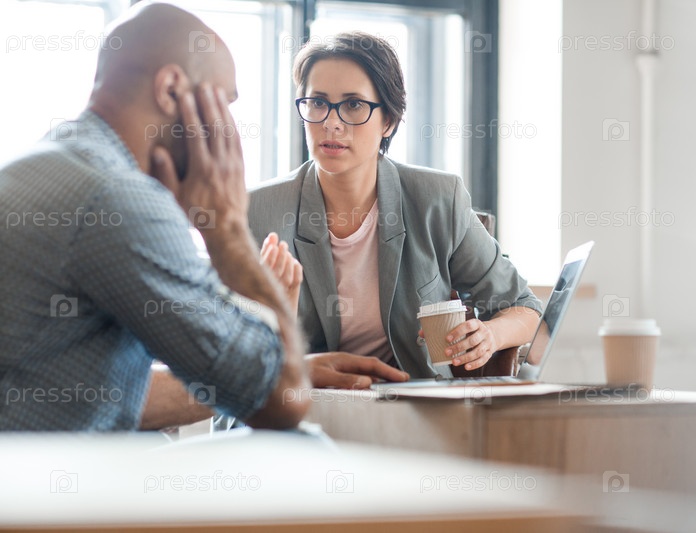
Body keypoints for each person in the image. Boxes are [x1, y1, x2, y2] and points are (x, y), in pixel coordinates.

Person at [0, 4, 310, 431]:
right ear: (170, 90)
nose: (229, 129)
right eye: (224, 102)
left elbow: (104, 394)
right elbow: (283, 398)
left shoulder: (50, 161)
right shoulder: (117, 198)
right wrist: (228, 228)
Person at [249, 32, 543, 386]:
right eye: (317, 102)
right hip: (308, 404)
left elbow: (524, 307)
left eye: (353, 105)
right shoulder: (258, 211)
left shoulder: (436, 199)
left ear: (388, 120)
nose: (331, 122)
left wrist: (490, 336)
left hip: (416, 401)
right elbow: (226, 352)